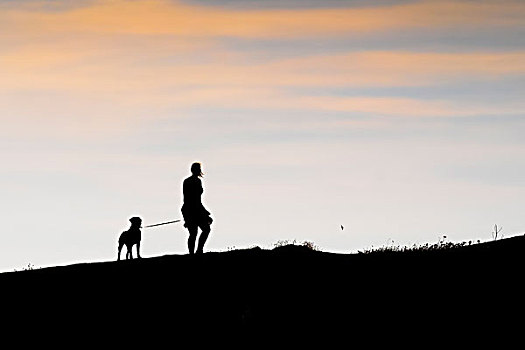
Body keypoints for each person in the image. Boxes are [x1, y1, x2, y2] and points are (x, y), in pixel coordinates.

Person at [181, 162, 213, 254]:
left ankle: (194, 252)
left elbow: (190, 199)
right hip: (194, 209)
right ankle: (198, 250)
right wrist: (204, 213)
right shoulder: (196, 181)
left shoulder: (187, 181)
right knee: (203, 230)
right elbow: (195, 200)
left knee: (194, 233)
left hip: (189, 209)